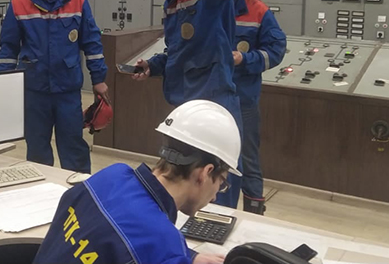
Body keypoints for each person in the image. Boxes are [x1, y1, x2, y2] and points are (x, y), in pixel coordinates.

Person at [132, 0, 263, 208]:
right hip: (187, 110)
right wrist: (153, 66)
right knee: (183, 192)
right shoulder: (174, 2)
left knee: (215, 197)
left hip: (214, 108)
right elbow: (179, 52)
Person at [34, 100, 240, 264]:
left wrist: (187, 256)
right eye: (221, 183)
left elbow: (133, 237)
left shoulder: (111, 175)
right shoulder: (163, 243)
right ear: (205, 172)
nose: (215, 196)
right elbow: (147, 242)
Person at [0, 0, 107, 174]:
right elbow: (8, 49)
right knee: (37, 150)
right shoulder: (19, 5)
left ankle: (78, 189)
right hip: (35, 91)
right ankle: (41, 190)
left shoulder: (77, 1)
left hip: (67, 91)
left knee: (73, 147)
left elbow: (92, 43)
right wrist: (2, 84)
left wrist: (99, 79)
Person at [208, 0, 287, 214]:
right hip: (207, 99)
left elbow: (276, 50)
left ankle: (254, 214)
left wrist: (245, 59)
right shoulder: (203, 8)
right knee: (208, 155)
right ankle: (210, 210)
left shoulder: (258, 11)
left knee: (248, 159)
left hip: (243, 101)